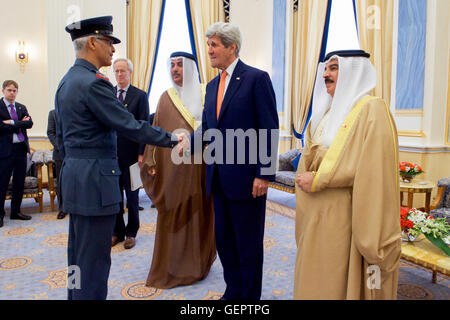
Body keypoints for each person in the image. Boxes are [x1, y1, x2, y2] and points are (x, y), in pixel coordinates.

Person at [56, 16, 183, 300]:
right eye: (108, 42)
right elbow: (130, 124)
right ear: (91, 42)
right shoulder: (93, 84)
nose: (113, 50)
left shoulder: (67, 81)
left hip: (76, 178)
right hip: (96, 183)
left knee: (77, 254)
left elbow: (63, 137)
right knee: (95, 261)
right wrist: (173, 138)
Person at [294, 50, 401, 300]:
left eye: (334, 68)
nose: (326, 74)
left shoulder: (371, 109)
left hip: (345, 215)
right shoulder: (329, 113)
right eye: (326, 69)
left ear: (354, 72)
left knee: (336, 275)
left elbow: (373, 168)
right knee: (315, 273)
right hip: (315, 215)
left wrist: (320, 180)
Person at [187, 22, 279, 300]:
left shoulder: (256, 78)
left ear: (232, 47)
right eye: (209, 45)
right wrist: (183, 142)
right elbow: (208, 127)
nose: (210, 50)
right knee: (225, 242)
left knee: (248, 244)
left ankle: (249, 298)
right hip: (217, 179)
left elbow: (269, 129)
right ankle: (234, 291)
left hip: (249, 181)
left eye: (214, 45)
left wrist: (264, 174)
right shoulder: (213, 85)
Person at [141, 51, 216, 289]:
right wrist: (151, 161)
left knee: (202, 212)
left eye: (180, 65)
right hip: (174, 170)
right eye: (172, 65)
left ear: (191, 68)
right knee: (174, 212)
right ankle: (173, 265)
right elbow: (156, 131)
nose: (175, 69)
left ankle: (199, 262)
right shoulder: (166, 97)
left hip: (204, 167)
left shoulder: (207, 94)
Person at [111, 58, 149, 250]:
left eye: (123, 71)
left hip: (133, 156)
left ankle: (131, 232)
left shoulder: (140, 96)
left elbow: (144, 126)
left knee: (132, 196)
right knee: (115, 196)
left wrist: (142, 153)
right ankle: (117, 231)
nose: (119, 75)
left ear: (130, 73)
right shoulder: (108, 94)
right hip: (111, 157)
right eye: (116, 71)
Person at [0, 80, 33, 228]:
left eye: (14, 90)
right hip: (5, 151)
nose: (12, 93)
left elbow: (29, 124)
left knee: (19, 182)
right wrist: (19, 123)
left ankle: (16, 211)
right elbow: (0, 127)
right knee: (2, 183)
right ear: (3, 91)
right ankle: (0, 215)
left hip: (20, 150)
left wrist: (11, 123)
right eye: (9, 90)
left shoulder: (21, 107)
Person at [47, 109, 66, 219]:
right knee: (61, 181)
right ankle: (62, 208)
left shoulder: (75, 111)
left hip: (76, 152)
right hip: (60, 154)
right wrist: (60, 147)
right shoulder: (53, 113)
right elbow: (50, 132)